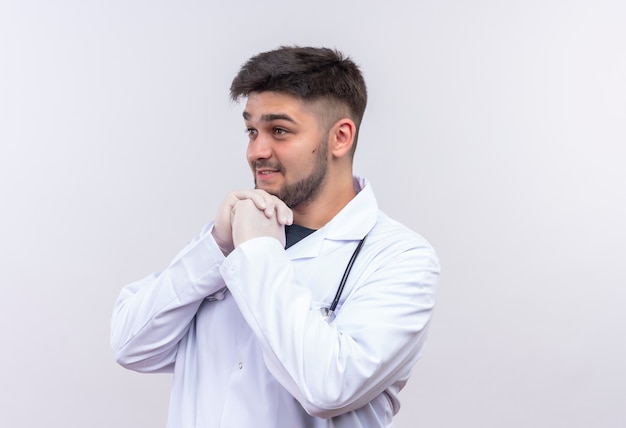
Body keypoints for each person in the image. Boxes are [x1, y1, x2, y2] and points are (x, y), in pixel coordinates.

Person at [111, 45, 440, 427]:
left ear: (340, 137)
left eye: (278, 130)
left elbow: (328, 388)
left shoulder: (400, 258)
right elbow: (131, 347)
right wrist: (216, 247)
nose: (256, 151)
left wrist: (256, 253)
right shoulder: (229, 238)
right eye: (251, 130)